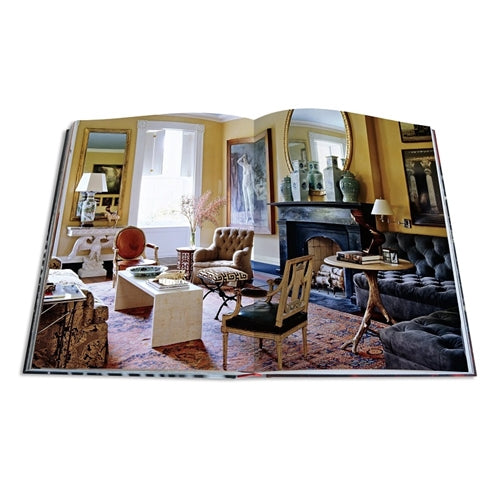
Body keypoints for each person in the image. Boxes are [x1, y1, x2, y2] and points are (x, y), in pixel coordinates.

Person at [237, 153, 255, 224]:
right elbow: (238, 161)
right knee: (245, 202)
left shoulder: (249, 166)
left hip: (249, 184)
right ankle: (247, 218)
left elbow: (252, 177)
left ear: (247, 159)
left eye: (245, 158)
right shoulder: (243, 166)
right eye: (243, 159)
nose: (244, 160)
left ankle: (252, 218)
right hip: (243, 184)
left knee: (250, 202)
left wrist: (253, 186)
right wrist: (242, 156)